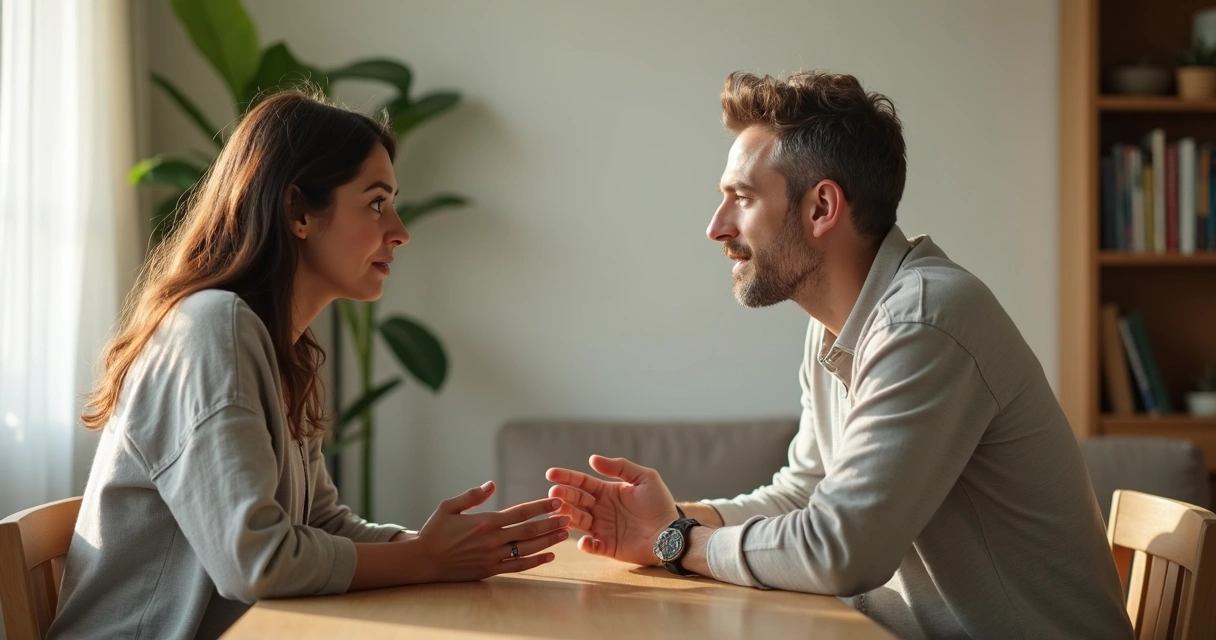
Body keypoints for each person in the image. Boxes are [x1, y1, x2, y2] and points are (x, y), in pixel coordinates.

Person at [547, 71, 1134, 639]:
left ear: (822, 208)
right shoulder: (839, 325)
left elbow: (840, 549)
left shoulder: (923, 320)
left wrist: (675, 542)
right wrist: (677, 517)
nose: (716, 227)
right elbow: (806, 491)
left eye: (742, 198)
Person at [50, 92, 569, 640]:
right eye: (376, 202)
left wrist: (437, 548)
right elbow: (258, 562)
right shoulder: (212, 328)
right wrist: (426, 560)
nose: (399, 229)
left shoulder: (276, 345)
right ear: (298, 211)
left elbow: (321, 524)